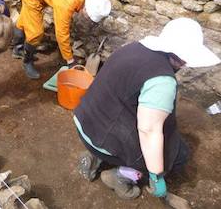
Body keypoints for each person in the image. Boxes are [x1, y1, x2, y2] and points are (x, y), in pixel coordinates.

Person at [73, 18, 220, 200]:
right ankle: (119, 176)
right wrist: (156, 176)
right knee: (178, 154)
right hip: (102, 138)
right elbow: (149, 131)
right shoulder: (162, 81)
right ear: (183, 57)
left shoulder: (134, 47)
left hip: (85, 121)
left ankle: (95, 157)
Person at [12, 0, 112, 79]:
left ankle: (17, 48)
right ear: (85, 9)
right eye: (89, 16)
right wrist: (70, 60)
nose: (88, 19)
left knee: (27, 17)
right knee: (35, 33)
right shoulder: (66, 3)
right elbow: (61, 33)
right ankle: (27, 61)